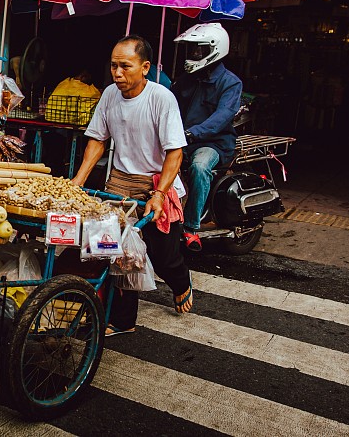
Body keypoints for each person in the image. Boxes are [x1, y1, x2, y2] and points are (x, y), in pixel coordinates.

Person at [72, 35, 192, 336]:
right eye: (114, 66)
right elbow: (98, 140)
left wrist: (160, 194)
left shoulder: (162, 98)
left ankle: (181, 282)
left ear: (145, 68)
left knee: (164, 258)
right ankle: (122, 320)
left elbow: (175, 152)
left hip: (156, 184)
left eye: (125, 66)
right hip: (119, 183)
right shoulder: (110, 95)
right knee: (114, 253)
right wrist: (78, 181)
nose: (117, 73)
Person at [171, 23, 242, 251]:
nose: (193, 55)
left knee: (199, 168)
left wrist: (194, 133)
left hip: (213, 143)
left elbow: (222, 116)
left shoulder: (230, 82)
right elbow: (169, 104)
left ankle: (191, 228)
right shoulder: (186, 79)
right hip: (183, 139)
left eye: (198, 51)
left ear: (214, 50)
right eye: (191, 50)